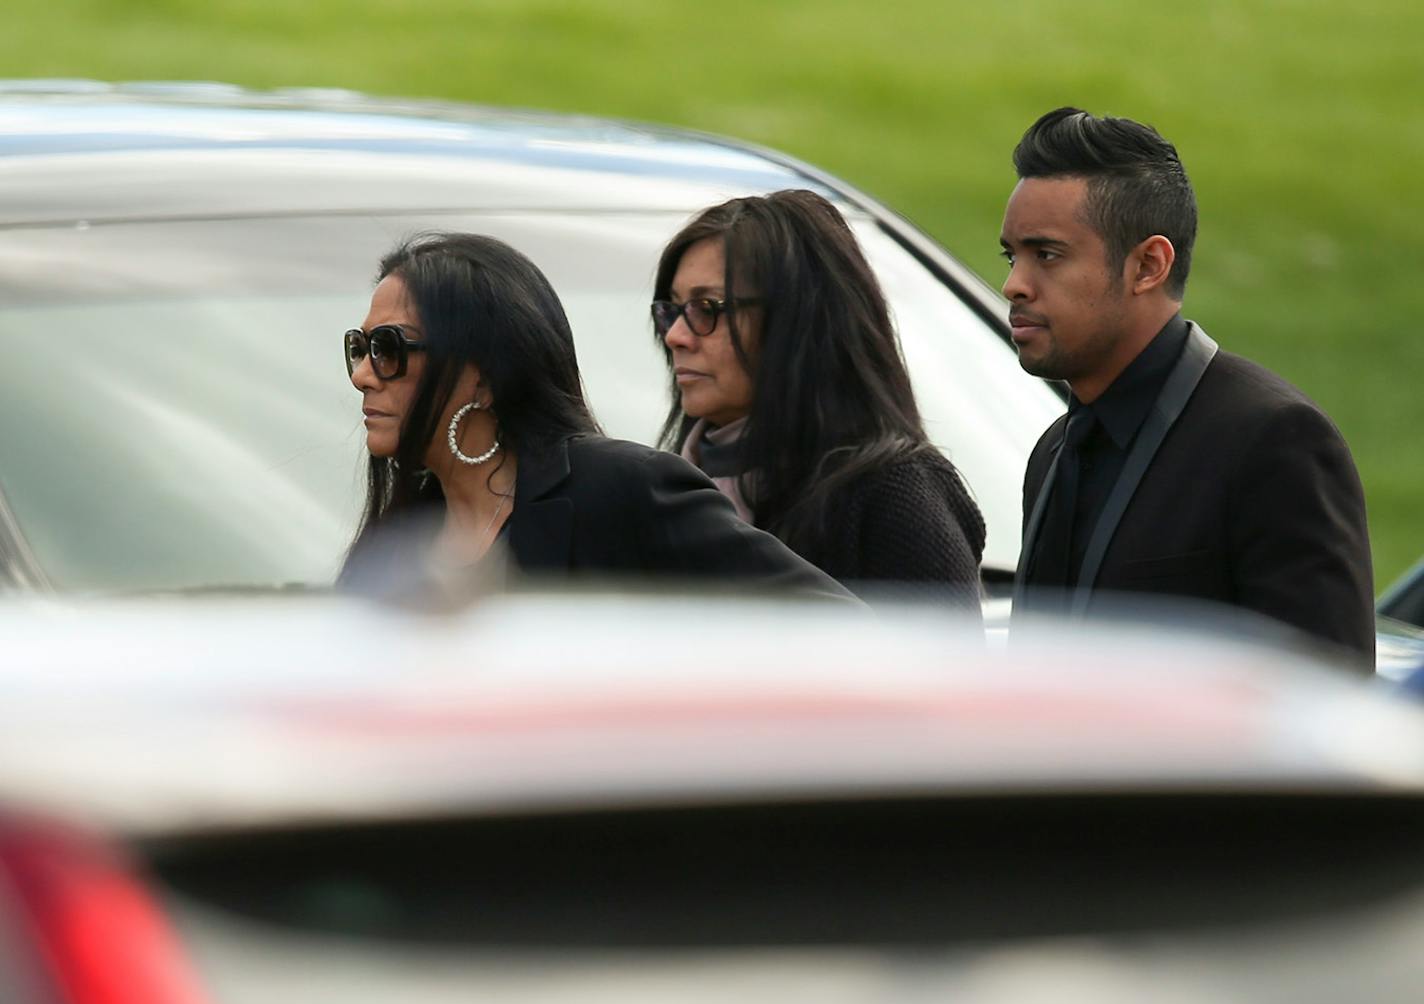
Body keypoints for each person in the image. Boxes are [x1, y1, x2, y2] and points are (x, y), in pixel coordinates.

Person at [1001, 107, 1374, 668]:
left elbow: (1326, 709)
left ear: (1148, 265)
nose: (1013, 285)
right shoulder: (1055, 451)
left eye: (1046, 255)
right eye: (1012, 256)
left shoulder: (1273, 442)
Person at [337, 231, 851, 602]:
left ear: (483, 374)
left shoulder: (620, 490)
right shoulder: (397, 542)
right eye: (360, 347)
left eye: (388, 348)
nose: (363, 373)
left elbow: (836, 629)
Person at [650, 189, 986, 612]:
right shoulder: (656, 490)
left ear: (798, 323)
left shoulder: (893, 494)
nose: (675, 336)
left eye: (706, 308)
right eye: (672, 310)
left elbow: (945, 674)